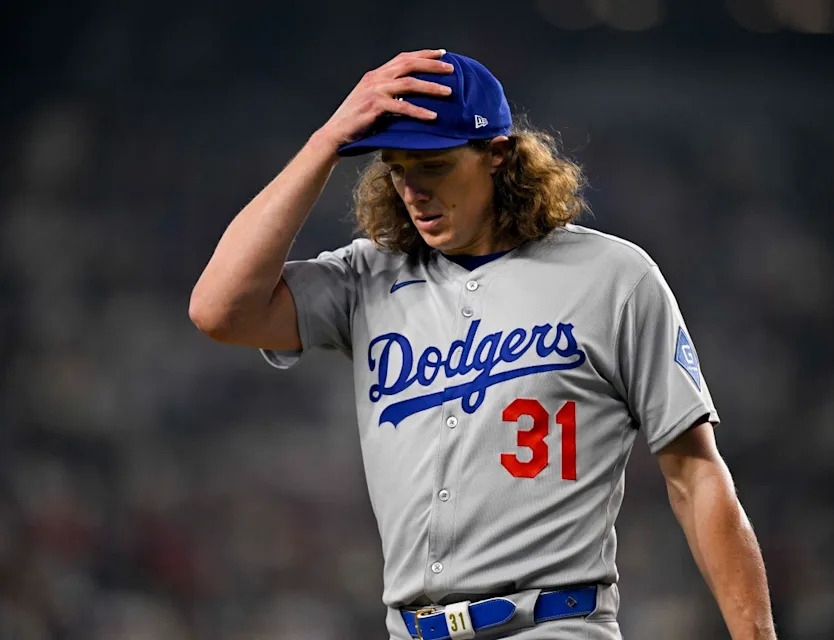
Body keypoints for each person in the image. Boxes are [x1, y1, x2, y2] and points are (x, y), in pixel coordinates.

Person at [189, 49, 776, 640]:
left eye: (434, 166)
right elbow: (219, 309)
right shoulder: (368, 277)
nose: (412, 190)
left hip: (554, 624)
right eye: (396, 168)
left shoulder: (612, 277)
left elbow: (695, 474)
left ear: (497, 155)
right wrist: (324, 143)